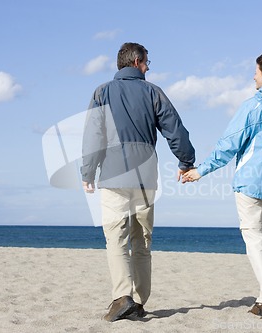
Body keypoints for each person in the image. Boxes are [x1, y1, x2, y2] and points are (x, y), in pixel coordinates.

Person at [182, 52, 262, 319]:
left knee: (255, 237)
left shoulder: (253, 106)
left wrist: (200, 171)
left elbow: (229, 144)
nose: (253, 77)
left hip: (251, 181)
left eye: (256, 72)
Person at [81, 42, 195, 322]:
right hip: (146, 176)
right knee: (142, 240)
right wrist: (186, 161)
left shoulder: (102, 91)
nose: (148, 66)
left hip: (114, 174)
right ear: (135, 61)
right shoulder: (153, 92)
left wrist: (87, 172)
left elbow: (92, 136)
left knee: (116, 239)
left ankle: (123, 297)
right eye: (146, 62)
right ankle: (140, 301)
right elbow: (174, 129)